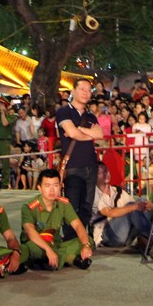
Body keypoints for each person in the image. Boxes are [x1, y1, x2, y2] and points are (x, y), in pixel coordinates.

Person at [20, 168, 94, 270]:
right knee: (30, 248)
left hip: (56, 244)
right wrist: (48, 250)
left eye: (55, 185)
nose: (52, 190)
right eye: (47, 186)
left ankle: (45, 262)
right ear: (39, 188)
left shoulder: (63, 204)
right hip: (37, 244)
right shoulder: (29, 207)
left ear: (60, 186)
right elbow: (30, 232)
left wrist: (86, 245)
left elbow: (77, 225)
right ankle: (71, 259)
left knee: (88, 240)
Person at [55, 79, 104, 233]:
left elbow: (100, 134)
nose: (86, 93)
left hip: (91, 165)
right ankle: (70, 244)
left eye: (89, 90)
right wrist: (89, 133)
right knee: (72, 207)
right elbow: (71, 133)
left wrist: (79, 130)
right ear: (73, 91)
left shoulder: (91, 116)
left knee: (87, 207)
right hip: (73, 166)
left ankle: (83, 243)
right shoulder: (64, 111)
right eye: (82, 89)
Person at [92, 162, 153, 248]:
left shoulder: (117, 191)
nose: (105, 174)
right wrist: (136, 206)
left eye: (106, 171)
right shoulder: (93, 194)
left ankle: (145, 238)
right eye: (99, 173)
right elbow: (109, 213)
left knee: (141, 201)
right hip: (106, 236)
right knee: (133, 206)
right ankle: (151, 238)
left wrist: (148, 206)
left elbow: (137, 208)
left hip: (123, 234)